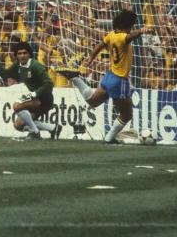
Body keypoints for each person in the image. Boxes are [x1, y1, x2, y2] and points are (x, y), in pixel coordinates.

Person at [58, 10, 151, 144]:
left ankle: (75, 78)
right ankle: (109, 138)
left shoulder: (112, 35)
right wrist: (141, 31)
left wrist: (91, 57)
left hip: (109, 76)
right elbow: (130, 37)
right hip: (120, 80)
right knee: (126, 115)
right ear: (129, 25)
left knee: (93, 101)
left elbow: (100, 45)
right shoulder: (122, 37)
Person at [0, 42, 60, 140]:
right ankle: (53, 128)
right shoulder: (18, 65)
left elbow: (49, 83)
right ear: (16, 55)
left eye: (25, 53)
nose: (22, 56)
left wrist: (35, 94)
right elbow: (5, 75)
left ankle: (35, 133)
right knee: (18, 125)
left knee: (17, 106)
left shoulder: (35, 66)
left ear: (29, 54)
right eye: (19, 53)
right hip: (35, 98)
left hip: (44, 99)